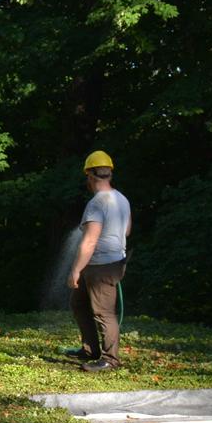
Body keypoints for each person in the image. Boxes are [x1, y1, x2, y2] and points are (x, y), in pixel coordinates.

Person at [68, 150, 130, 370]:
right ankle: (89, 350)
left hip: (100, 266)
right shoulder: (122, 199)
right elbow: (127, 230)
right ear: (109, 174)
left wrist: (76, 269)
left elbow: (89, 241)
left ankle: (110, 360)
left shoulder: (97, 203)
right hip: (109, 263)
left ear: (90, 176)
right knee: (78, 303)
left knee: (103, 312)